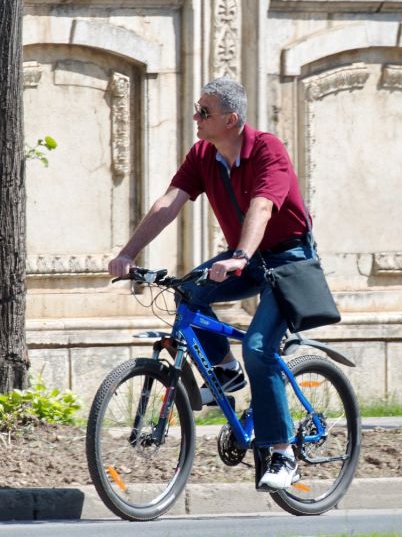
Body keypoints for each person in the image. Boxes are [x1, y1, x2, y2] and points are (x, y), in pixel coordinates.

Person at [107, 76, 316, 491]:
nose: (195, 117)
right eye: (197, 109)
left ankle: (282, 453)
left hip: (287, 260)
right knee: (188, 291)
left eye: (204, 112)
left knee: (259, 347)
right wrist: (128, 253)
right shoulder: (204, 154)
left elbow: (261, 207)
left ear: (231, 118)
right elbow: (168, 203)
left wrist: (239, 255)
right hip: (245, 255)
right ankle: (224, 370)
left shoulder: (267, 150)